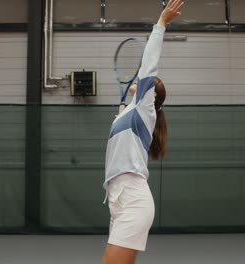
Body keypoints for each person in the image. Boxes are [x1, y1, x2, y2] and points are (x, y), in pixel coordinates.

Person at [101, 1, 184, 263]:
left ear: (152, 96)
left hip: (133, 198)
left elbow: (149, 64)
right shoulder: (130, 113)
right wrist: (123, 112)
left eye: (146, 82)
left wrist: (161, 23)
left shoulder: (145, 109)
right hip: (117, 200)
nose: (138, 79)